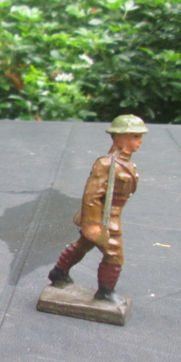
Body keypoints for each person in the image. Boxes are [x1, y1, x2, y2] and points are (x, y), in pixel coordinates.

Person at [47, 115, 147, 303]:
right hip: (104, 217)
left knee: (83, 244)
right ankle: (105, 292)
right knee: (114, 255)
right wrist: (92, 224)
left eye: (140, 136)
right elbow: (91, 196)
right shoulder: (107, 164)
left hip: (113, 214)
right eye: (135, 136)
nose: (140, 140)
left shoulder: (126, 164)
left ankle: (59, 272)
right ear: (120, 137)